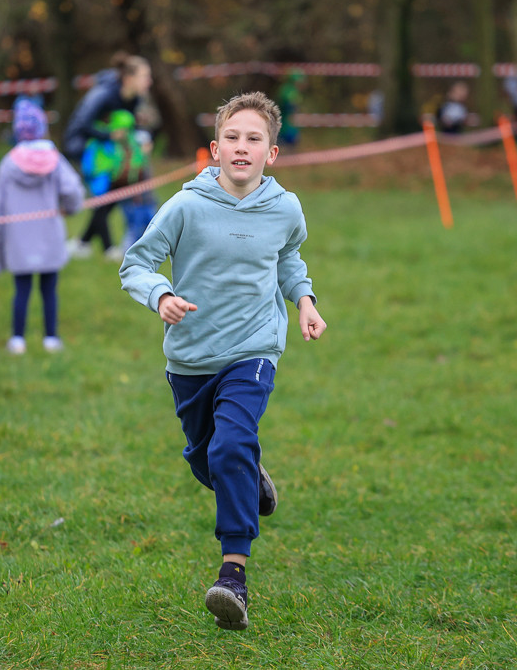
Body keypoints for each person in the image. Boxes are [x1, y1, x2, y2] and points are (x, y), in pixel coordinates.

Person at [119, 91, 327, 631]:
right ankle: (246, 476)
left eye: (253, 139)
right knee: (204, 458)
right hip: (190, 357)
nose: (242, 147)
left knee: (231, 442)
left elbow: (287, 258)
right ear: (214, 149)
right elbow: (136, 262)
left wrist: (303, 300)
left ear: (271, 153)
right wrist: (161, 296)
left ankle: (232, 574)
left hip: (253, 350)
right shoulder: (185, 206)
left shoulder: (285, 208)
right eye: (232, 138)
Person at [0, 99, 85, 355]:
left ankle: (18, 339)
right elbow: (73, 190)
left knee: (21, 289)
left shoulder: (8, 164)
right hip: (49, 237)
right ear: (42, 128)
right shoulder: (54, 159)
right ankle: (51, 338)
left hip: (18, 240)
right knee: (49, 289)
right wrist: (71, 207)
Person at [62, 52, 153, 259]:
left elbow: (132, 124)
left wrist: (143, 137)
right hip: (85, 147)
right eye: (144, 76)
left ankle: (82, 243)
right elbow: (82, 124)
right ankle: (107, 248)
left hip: (109, 151)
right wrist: (110, 134)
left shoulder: (134, 98)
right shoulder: (104, 94)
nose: (149, 81)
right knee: (105, 194)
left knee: (110, 195)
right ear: (129, 78)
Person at [275, 68, 306, 148]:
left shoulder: (294, 91)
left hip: (291, 126)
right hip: (284, 126)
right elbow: (288, 105)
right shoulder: (287, 90)